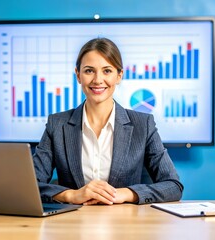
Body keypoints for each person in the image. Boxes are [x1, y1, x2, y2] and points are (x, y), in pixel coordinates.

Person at [33, 38, 183, 205]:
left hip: (125, 225)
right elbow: (32, 185)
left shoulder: (143, 124)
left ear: (119, 75)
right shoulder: (57, 124)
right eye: (89, 71)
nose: (97, 80)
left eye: (107, 71)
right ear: (78, 75)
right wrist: (71, 195)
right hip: (72, 224)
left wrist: (127, 193)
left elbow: (173, 186)